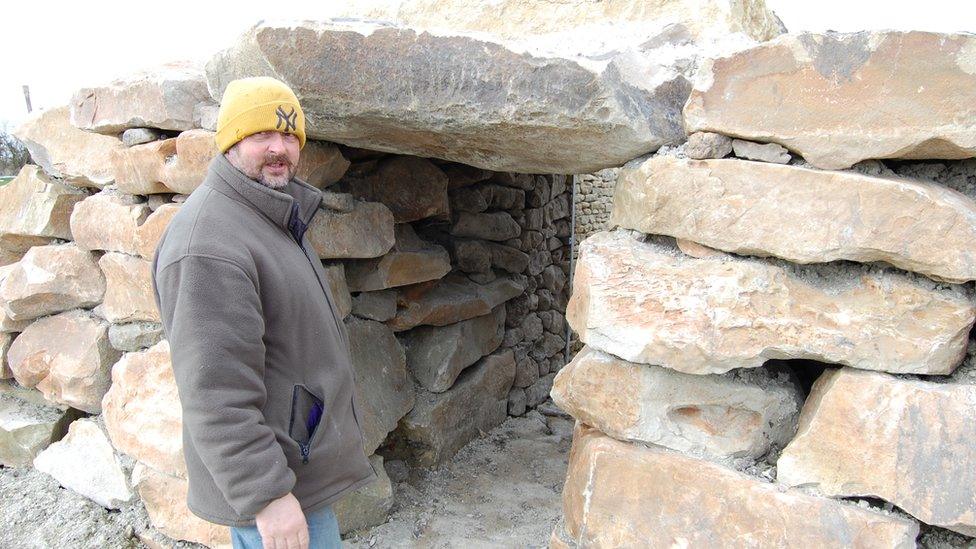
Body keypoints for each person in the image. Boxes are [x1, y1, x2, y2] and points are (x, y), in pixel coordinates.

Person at [152, 76, 375, 549]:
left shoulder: (267, 215)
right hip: (277, 486)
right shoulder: (208, 244)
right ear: (231, 142)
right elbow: (215, 393)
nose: (280, 148)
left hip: (295, 468)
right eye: (262, 135)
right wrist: (267, 496)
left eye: (290, 135)